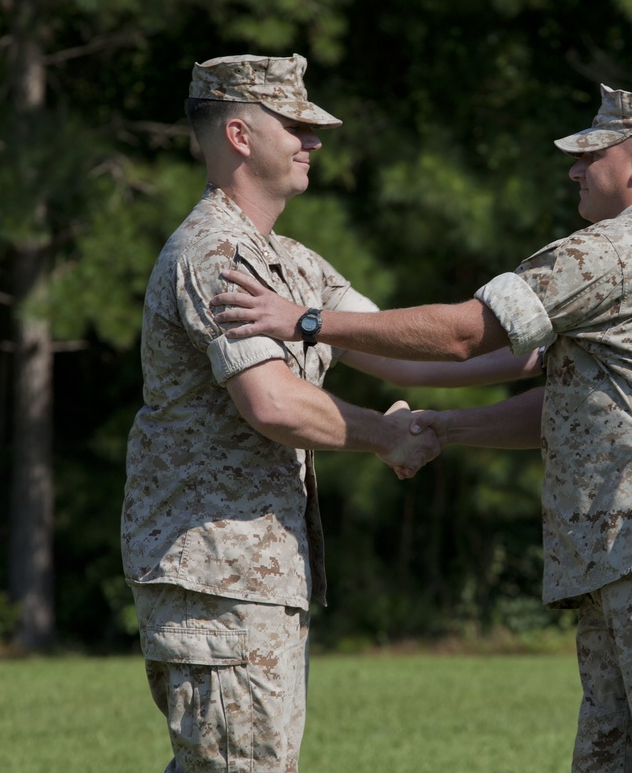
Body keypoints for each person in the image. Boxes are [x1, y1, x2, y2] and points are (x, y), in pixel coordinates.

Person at [212, 83, 632, 772]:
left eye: (590, 154)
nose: (574, 169)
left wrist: (308, 321)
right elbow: (568, 407)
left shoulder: (617, 249)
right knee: (613, 762)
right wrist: (446, 427)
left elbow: (464, 336)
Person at [122, 53, 541, 773]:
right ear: (242, 134)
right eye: (297, 125)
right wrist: (387, 437)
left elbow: (407, 354)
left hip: (256, 578)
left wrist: (542, 352)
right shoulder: (214, 254)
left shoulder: (290, 263)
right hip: (218, 577)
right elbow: (272, 403)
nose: (314, 142)